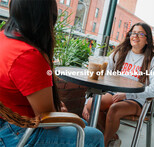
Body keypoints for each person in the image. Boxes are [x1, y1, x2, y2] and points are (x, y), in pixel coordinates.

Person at [0, 0, 104, 146]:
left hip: (6, 122)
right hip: (16, 133)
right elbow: (49, 122)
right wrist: (57, 112)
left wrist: (54, 108)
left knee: (81, 125)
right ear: (47, 16)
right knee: (94, 136)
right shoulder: (28, 55)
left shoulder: (4, 38)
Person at [83, 22, 154, 146]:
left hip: (136, 99)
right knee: (91, 104)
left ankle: (103, 143)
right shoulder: (120, 53)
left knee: (114, 109)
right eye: (133, 33)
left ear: (147, 40)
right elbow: (102, 76)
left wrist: (126, 94)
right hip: (115, 94)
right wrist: (86, 101)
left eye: (140, 34)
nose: (135, 36)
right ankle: (112, 138)